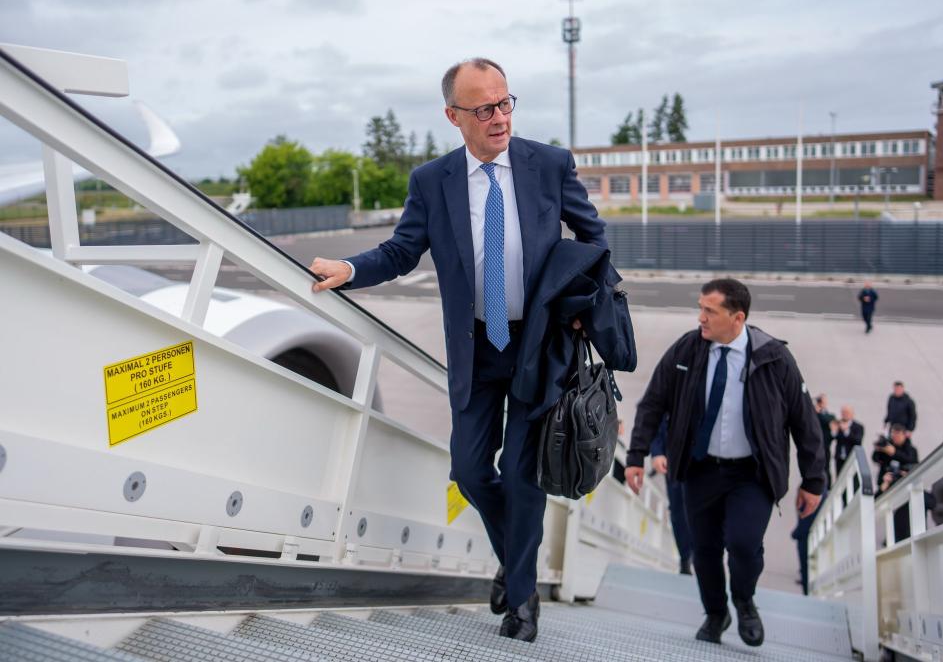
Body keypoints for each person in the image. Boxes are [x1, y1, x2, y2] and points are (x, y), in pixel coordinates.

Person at [309, 58, 606, 643]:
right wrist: (348, 268)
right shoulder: (433, 181)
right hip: (476, 347)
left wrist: (580, 308)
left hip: (538, 345)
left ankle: (522, 603)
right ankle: (515, 561)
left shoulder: (548, 164)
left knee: (523, 476)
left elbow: (593, 238)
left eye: (505, 103)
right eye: (484, 109)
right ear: (454, 116)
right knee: (471, 471)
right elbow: (401, 252)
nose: (499, 118)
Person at [625, 278, 825, 647]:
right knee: (704, 550)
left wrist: (814, 481)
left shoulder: (774, 359)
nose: (700, 318)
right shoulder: (687, 350)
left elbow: (804, 421)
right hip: (700, 469)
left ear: (737, 317)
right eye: (700, 308)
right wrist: (636, 455)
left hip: (751, 474)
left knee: (744, 544)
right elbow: (653, 402)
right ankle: (716, 613)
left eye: (709, 311)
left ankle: (745, 600)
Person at [650, 415, 693, 574]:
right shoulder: (671, 390)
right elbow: (654, 413)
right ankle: (685, 557)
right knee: (677, 510)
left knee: (703, 510)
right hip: (674, 458)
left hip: (705, 460)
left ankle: (700, 555)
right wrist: (656, 451)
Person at [832, 405, 864, 478]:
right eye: (843, 412)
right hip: (839, 457)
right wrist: (833, 431)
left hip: (851, 457)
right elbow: (833, 439)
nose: (844, 414)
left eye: (847, 412)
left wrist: (846, 431)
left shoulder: (858, 426)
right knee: (839, 477)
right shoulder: (838, 423)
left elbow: (858, 441)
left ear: (852, 414)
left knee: (850, 477)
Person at [814, 394, 835, 489]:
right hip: (815, 445)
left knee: (826, 467)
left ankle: (827, 488)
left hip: (825, 446)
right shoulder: (813, 414)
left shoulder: (829, 415)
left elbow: (829, 420)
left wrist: (819, 412)